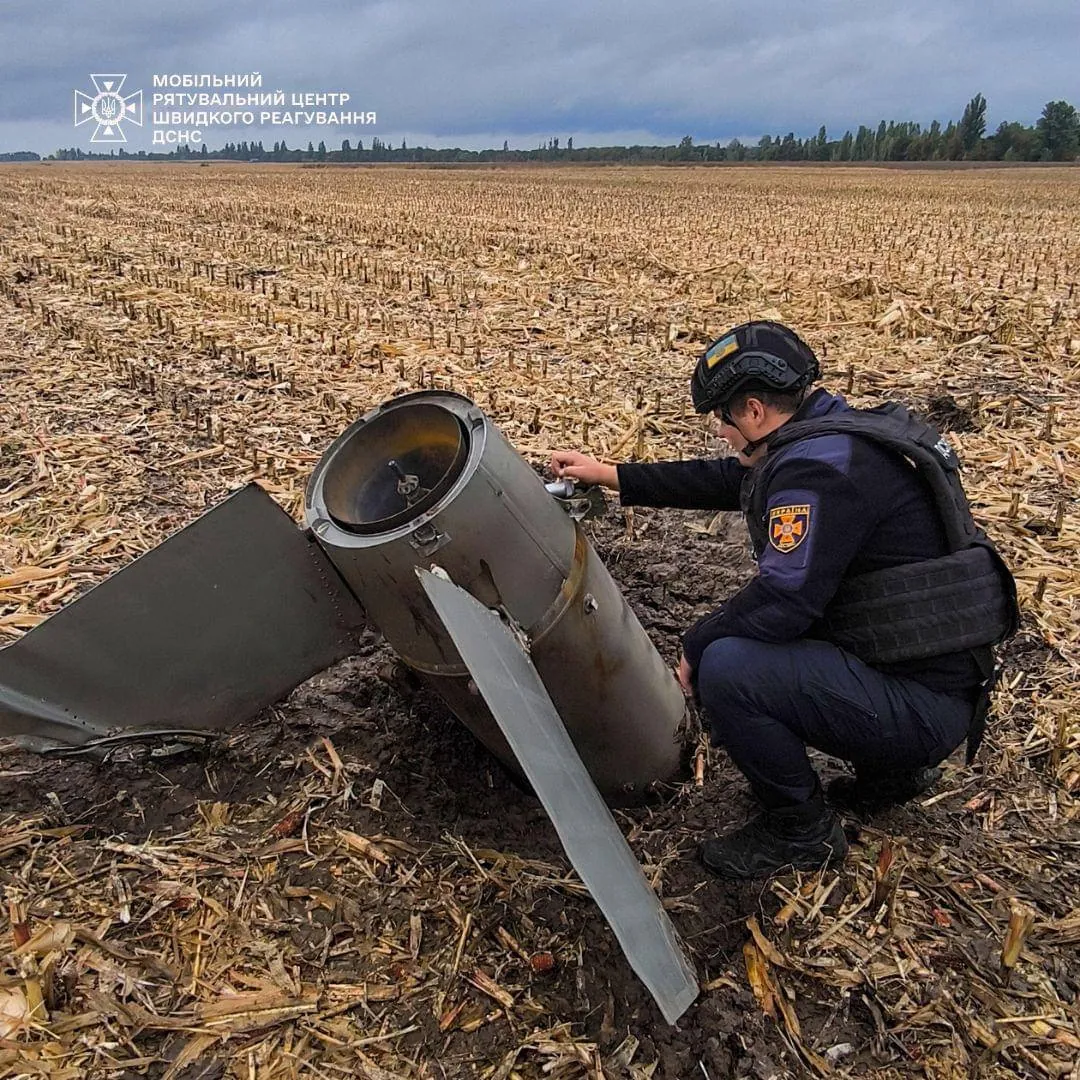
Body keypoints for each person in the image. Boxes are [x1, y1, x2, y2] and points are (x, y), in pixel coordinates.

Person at [549, 321, 1017, 879]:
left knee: (730, 667)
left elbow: (783, 602)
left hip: (922, 709)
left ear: (752, 410)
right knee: (770, 635)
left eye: (721, 418)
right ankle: (892, 772)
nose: (720, 432)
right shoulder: (834, 438)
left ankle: (802, 831)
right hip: (937, 681)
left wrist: (695, 647)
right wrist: (611, 474)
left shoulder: (815, 470)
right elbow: (733, 479)